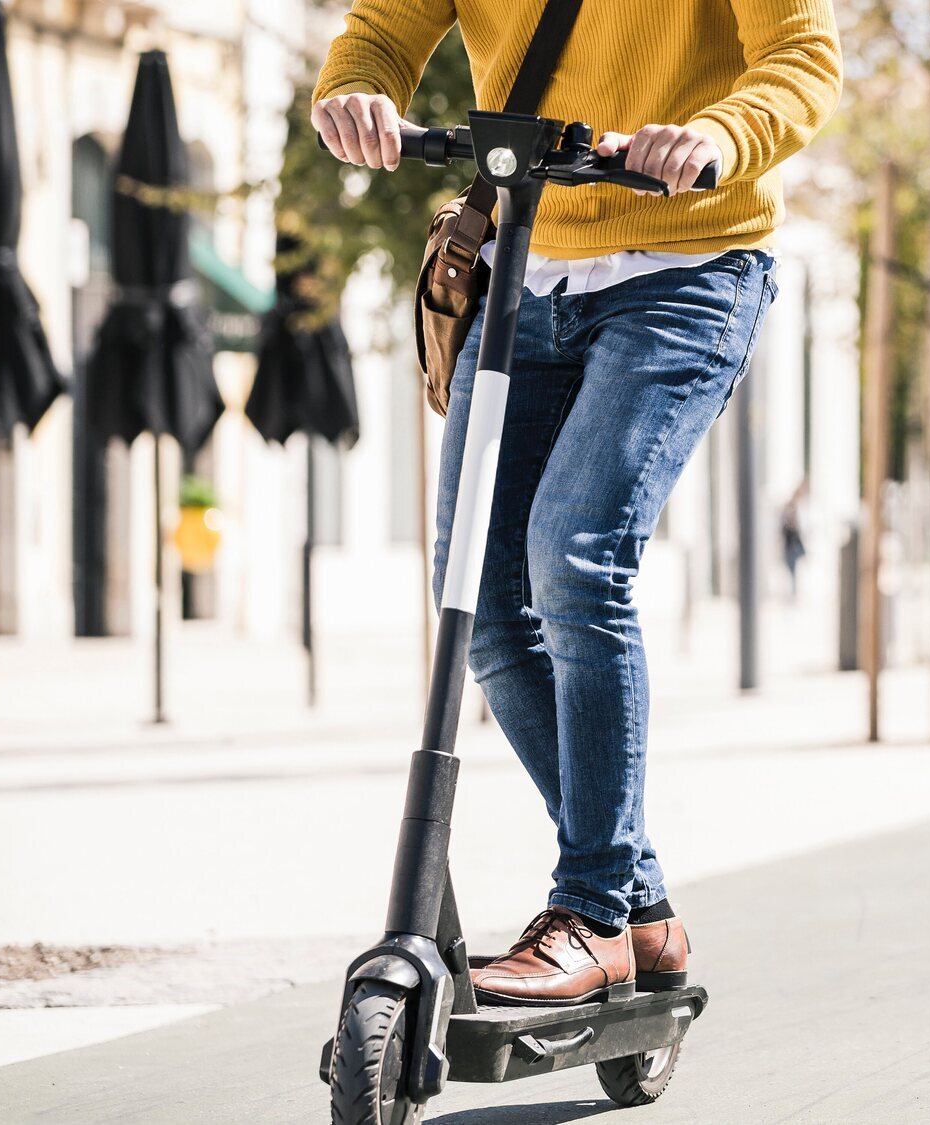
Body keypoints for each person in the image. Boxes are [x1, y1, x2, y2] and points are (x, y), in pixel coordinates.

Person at [312, 0, 841, 1006]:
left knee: (574, 556)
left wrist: (721, 134)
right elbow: (383, 27)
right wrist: (356, 90)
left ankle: (593, 909)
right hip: (526, 265)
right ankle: (637, 905)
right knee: (478, 593)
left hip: (686, 271)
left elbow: (804, 56)